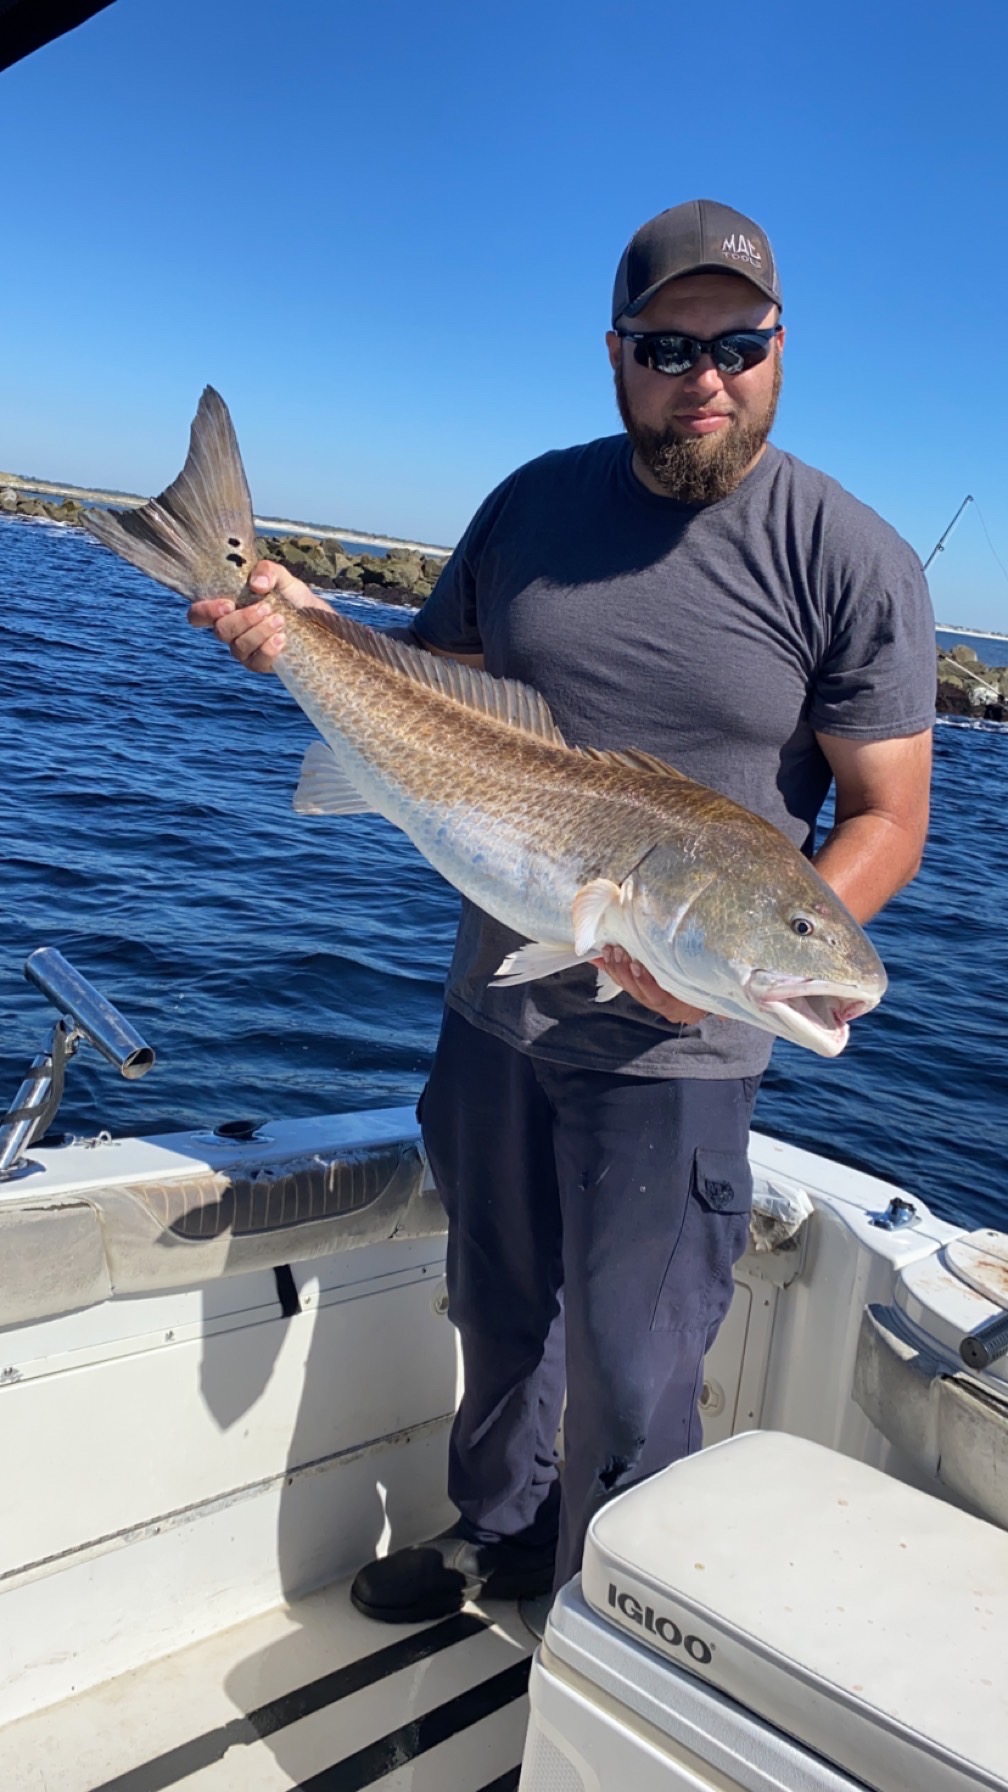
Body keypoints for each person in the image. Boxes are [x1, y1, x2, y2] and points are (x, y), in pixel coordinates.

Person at [189, 199, 935, 1624]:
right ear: (617, 353)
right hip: (496, 1004)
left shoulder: (856, 560)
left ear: (781, 350)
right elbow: (423, 687)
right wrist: (288, 625)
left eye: (738, 342)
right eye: (667, 344)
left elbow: (887, 817)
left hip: (681, 1052)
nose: (703, 373)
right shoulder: (531, 504)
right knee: (496, 1312)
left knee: (641, 1366)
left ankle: (617, 1620)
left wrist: (766, 948)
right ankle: (505, 1539)